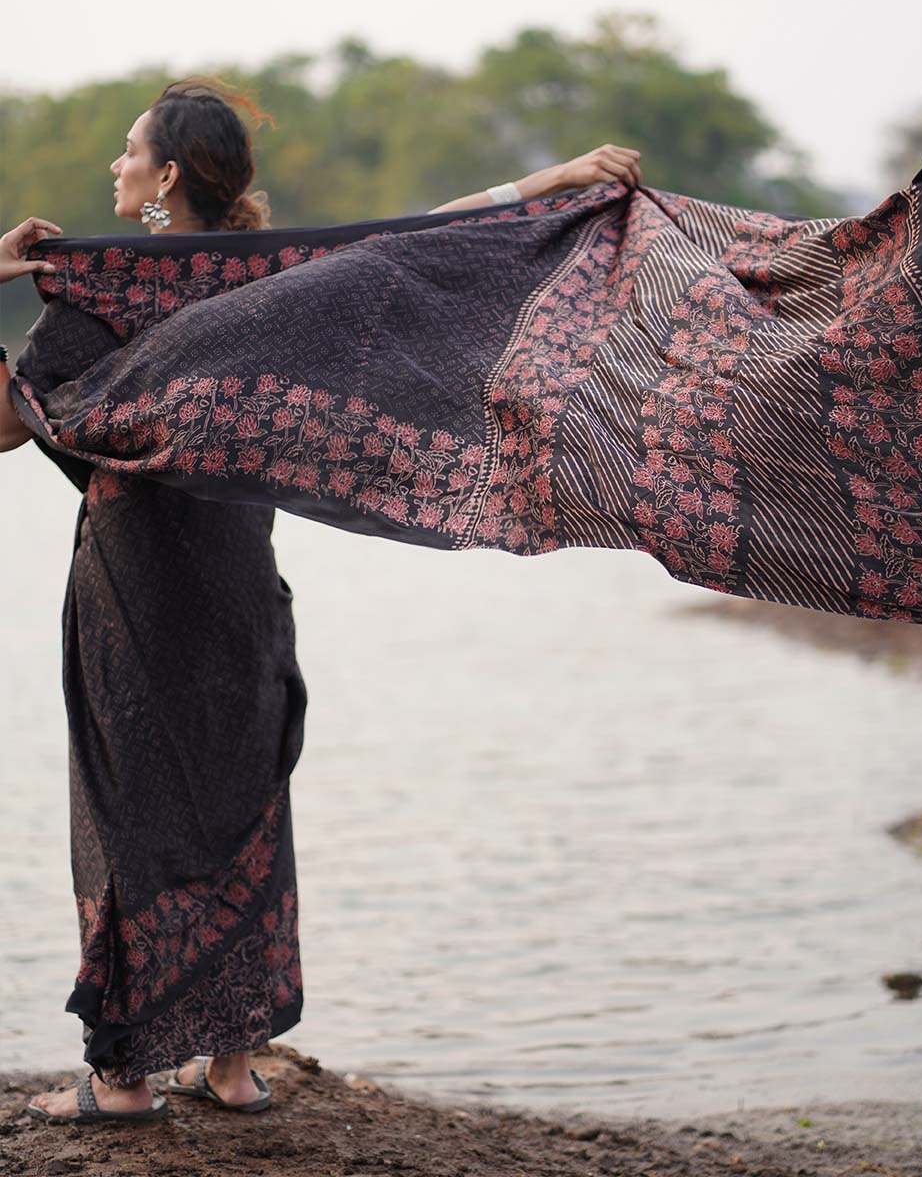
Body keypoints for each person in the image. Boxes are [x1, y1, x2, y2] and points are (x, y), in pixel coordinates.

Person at [3, 75, 642, 1124]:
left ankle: (120, 1080)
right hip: (236, 579)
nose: (113, 166)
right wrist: (558, 181)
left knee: (134, 812)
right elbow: (419, 241)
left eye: (128, 150)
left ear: (166, 176)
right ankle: (231, 1066)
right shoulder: (267, 279)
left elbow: (5, 426)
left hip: (134, 589)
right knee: (244, 799)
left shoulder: (101, 290)